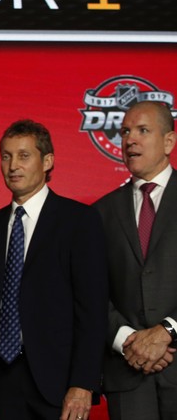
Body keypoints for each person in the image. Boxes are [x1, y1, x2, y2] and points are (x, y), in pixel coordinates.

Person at [0, 120, 108, 420]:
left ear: (47, 161)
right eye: (6, 156)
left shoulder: (79, 222)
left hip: (59, 384)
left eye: (24, 155)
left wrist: (83, 383)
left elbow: (92, 311)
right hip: (0, 384)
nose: (13, 165)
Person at [94, 100, 177, 420]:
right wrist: (128, 341)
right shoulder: (100, 213)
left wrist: (168, 330)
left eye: (143, 130)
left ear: (169, 141)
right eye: (126, 131)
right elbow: (92, 293)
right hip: (127, 375)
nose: (130, 140)